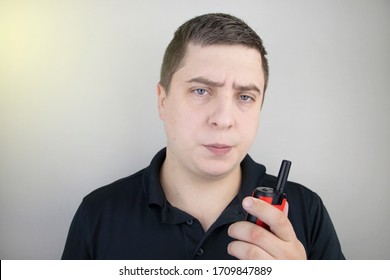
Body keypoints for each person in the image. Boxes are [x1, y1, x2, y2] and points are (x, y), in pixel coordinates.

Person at [62, 13, 345, 260]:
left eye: (245, 96)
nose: (223, 118)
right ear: (163, 101)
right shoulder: (98, 213)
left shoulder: (307, 211)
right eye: (201, 91)